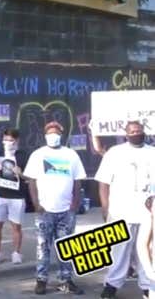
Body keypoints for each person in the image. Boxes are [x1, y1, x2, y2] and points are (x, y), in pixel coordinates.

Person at [95, 121, 155, 299]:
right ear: (126, 134)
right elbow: (103, 182)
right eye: (133, 131)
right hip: (121, 210)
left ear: (144, 132)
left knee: (146, 251)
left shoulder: (152, 152)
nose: (136, 133)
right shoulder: (115, 153)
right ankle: (112, 284)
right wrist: (105, 207)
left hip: (147, 213)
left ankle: (148, 285)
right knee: (119, 250)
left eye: (139, 131)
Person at [25, 121, 86, 295]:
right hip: (45, 210)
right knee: (42, 247)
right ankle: (41, 280)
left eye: (56, 132)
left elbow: (77, 181)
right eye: (50, 133)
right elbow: (32, 181)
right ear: (45, 136)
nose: (53, 136)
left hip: (66, 210)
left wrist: (75, 204)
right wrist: (36, 203)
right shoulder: (38, 155)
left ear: (61, 134)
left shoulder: (71, 155)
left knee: (66, 247)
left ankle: (66, 279)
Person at [0, 127, 29, 265]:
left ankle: (16, 252)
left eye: (11, 140)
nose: (7, 142)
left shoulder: (23, 155)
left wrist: (20, 173)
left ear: (17, 141)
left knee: (16, 226)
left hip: (17, 195)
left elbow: (30, 177)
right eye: (5, 139)